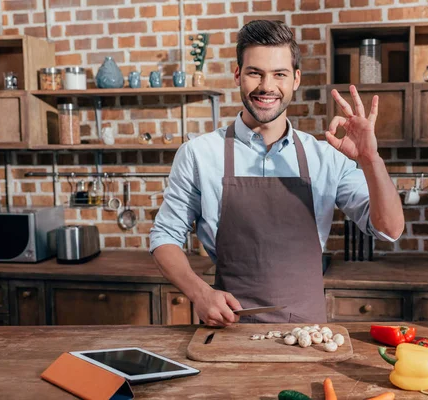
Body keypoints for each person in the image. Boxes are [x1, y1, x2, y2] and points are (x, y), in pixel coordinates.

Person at [150, 20, 404, 327]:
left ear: (296, 79)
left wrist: (371, 160)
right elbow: (164, 236)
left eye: (279, 74)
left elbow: (389, 229)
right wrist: (200, 293)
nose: (267, 86)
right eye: (255, 72)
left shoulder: (325, 157)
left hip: (307, 334)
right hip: (229, 328)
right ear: (237, 75)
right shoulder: (199, 154)